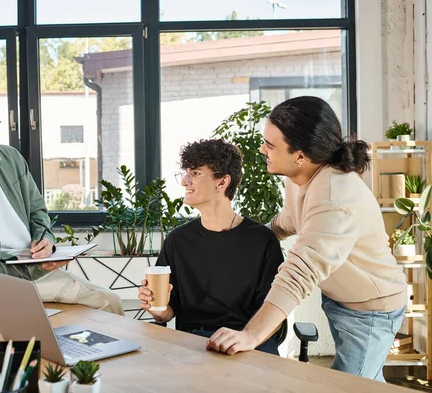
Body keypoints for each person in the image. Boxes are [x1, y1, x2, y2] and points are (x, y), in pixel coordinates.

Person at [207, 96, 407, 381]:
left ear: (300, 155)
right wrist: (248, 240)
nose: (262, 149)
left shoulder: (333, 198)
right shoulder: (301, 175)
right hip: (342, 300)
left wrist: (251, 335)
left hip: (372, 312)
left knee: (346, 387)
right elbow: (291, 219)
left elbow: (298, 274)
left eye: (270, 145)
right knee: (369, 382)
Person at [0, 84, 123, 315]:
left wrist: (45, 240)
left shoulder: (10, 159)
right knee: (109, 302)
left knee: (102, 305)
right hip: (3, 282)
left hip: (39, 271)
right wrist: (30, 270)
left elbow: (37, 211)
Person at [138, 139, 284, 354]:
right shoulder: (178, 240)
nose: (185, 182)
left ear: (222, 182)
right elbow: (169, 312)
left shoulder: (262, 240)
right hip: (194, 345)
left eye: (195, 173)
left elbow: (275, 313)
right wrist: (157, 309)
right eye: (185, 173)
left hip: (247, 344)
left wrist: (246, 339)